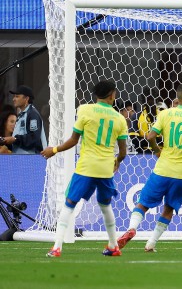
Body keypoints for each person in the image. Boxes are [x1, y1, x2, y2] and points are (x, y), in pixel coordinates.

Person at [117, 83, 182, 252]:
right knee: (169, 208)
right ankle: (151, 243)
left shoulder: (165, 114)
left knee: (143, 203)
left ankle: (132, 228)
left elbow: (151, 136)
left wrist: (157, 150)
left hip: (162, 168)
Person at [42, 80, 126, 258]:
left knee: (69, 204)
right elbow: (123, 151)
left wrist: (54, 150)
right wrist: (117, 160)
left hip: (86, 167)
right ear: (112, 95)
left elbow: (73, 141)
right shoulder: (120, 119)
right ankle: (113, 246)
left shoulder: (84, 110)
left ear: (96, 95)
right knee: (106, 206)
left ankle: (57, 247)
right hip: (105, 169)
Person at [5, 86, 46, 154]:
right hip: (22, 159)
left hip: (32, 159)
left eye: (17, 96)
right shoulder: (22, 115)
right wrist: (6, 141)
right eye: (14, 96)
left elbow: (34, 138)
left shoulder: (32, 114)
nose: (13, 99)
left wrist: (14, 139)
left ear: (26, 99)